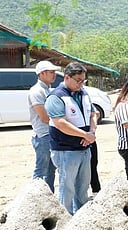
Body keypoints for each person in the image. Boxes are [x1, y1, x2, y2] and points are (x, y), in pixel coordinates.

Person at [44, 62, 96, 214]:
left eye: (83, 80)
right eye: (78, 80)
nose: (81, 84)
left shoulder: (84, 94)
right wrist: (84, 135)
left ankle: (80, 216)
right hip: (66, 149)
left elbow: (93, 114)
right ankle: (64, 217)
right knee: (67, 187)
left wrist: (91, 133)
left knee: (83, 186)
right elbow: (60, 123)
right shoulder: (56, 97)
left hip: (85, 147)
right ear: (67, 77)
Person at [28, 60, 60, 193]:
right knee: (41, 170)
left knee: (50, 171)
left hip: (49, 134)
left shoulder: (46, 90)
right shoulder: (37, 91)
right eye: (51, 72)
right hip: (43, 135)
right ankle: (34, 198)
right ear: (42, 74)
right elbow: (44, 117)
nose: (54, 75)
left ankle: (48, 198)